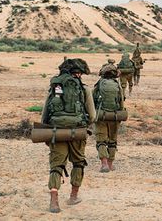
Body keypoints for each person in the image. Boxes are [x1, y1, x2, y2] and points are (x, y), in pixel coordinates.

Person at [41, 59, 95, 213]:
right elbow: (92, 116)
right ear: (78, 74)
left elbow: (44, 114)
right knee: (78, 163)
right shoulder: (84, 89)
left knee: (56, 165)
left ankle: (54, 201)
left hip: (56, 131)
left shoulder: (55, 87)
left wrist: (48, 132)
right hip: (77, 131)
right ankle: (73, 196)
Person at [93, 63, 125, 173]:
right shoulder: (117, 85)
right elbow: (121, 102)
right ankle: (111, 164)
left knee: (101, 140)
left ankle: (104, 164)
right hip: (115, 116)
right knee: (112, 141)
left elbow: (93, 100)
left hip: (101, 116)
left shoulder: (99, 84)